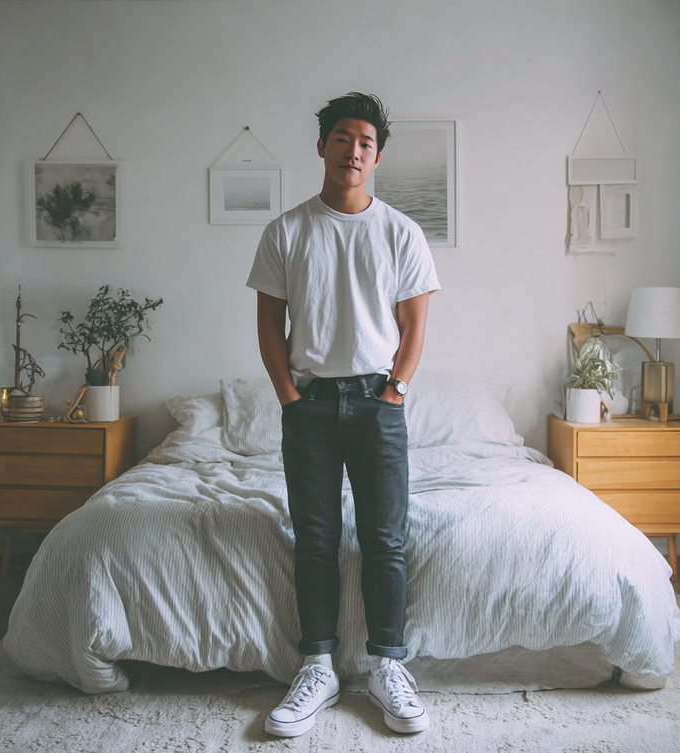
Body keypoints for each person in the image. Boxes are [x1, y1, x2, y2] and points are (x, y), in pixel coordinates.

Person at [246, 92, 440, 737]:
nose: (352, 151)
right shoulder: (287, 230)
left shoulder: (401, 232)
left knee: (386, 539)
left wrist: (396, 395)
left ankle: (388, 666)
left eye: (364, 142)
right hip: (310, 404)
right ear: (322, 146)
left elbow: (414, 329)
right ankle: (319, 666)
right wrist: (289, 398)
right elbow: (269, 325)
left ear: (376, 155)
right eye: (341, 138)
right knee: (316, 540)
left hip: (378, 405)